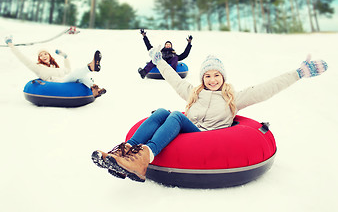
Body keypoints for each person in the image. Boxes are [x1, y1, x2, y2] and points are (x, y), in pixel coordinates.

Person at [92, 45, 328, 182]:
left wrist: (298, 73)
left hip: (205, 137)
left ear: (223, 77)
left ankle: (146, 156)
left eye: (216, 75)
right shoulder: (193, 93)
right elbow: (173, 78)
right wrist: (158, 62)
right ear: (202, 78)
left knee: (175, 116)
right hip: (183, 133)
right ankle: (123, 152)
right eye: (207, 75)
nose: (212, 79)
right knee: (164, 111)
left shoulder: (232, 98)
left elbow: (266, 89)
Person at [5, 36, 106, 98]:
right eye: (41, 55)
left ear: (49, 55)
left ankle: (95, 89)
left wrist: (65, 57)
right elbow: (21, 57)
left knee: (80, 76)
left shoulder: (55, 67)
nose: (43, 56)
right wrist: (10, 44)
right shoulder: (38, 67)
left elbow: (67, 70)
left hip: (66, 79)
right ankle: (90, 67)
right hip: (59, 84)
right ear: (39, 58)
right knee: (76, 73)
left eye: (45, 54)